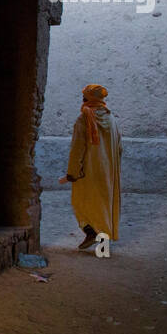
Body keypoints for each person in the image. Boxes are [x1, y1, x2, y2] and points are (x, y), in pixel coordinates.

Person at [58, 84, 121, 250]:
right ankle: (102, 247)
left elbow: (77, 148)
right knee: (103, 206)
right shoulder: (111, 119)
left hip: (88, 172)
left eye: (84, 97)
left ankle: (92, 233)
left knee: (81, 202)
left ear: (87, 99)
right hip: (107, 172)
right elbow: (119, 148)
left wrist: (72, 172)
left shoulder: (84, 118)